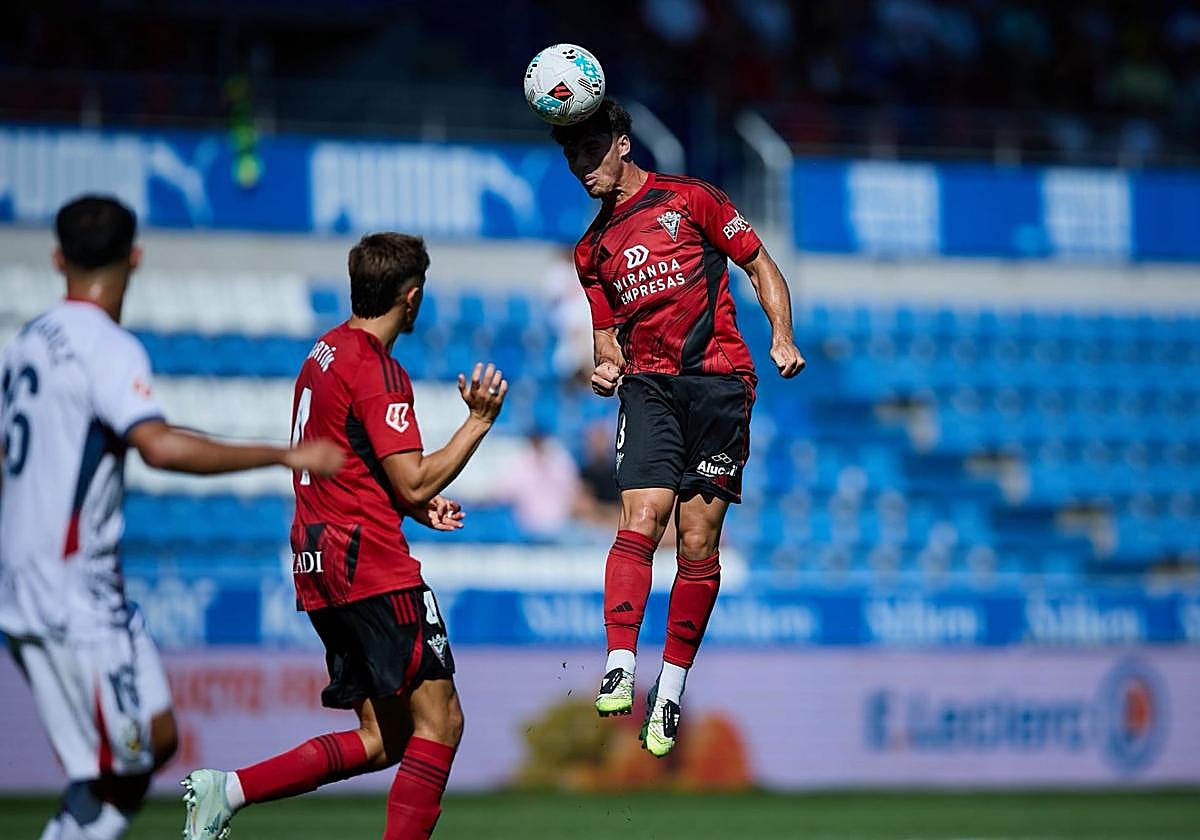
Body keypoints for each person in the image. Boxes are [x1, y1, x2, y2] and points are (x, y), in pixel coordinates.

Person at [0, 195, 343, 840]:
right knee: (132, 756)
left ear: (56, 258)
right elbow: (155, 444)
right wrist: (281, 452)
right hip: (73, 591)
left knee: (126, 757)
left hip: (27, 579)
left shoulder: (25, 344)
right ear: (136, 258)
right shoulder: (105, 344)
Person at [181, 233, 508, 840]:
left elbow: (356, 463)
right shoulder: (377, 369)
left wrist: (413, 506)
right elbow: (409, 481)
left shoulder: (323, 352)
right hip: (370, 563)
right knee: (442, 724)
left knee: (385, 737)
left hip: (318, 558)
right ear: (411, 299)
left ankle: (226, 791)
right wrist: (478, 423)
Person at [551, 99, 805, 757]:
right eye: (571, 155)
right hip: (650, 388)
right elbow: (608, 341)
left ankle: (669, 689)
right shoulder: (590, 252)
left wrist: (781, 334)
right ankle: (619, 662)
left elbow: (758, 262)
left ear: (623, 142)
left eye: (590, 150)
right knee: (642, 517)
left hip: (720, 383)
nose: (581, 166)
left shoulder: (692, 201)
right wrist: (605, 368)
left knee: (697, 539)